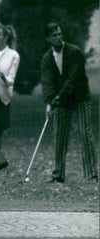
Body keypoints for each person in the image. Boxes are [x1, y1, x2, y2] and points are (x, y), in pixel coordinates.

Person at [40, 23, 98, 182]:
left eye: (60, 34)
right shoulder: (47, 58)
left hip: (80, 97)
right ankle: (58, 174)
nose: (58, 37)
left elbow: (73, 80)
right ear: (48, 39)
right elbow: (47, 83)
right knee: (60, 134)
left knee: (85, 132)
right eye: (54, 35)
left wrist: (58, 98)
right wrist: (49, 102)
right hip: (61, 100)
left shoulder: (75, 53)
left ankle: (91, 174)